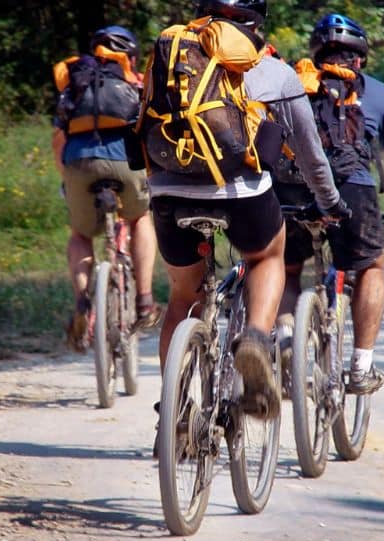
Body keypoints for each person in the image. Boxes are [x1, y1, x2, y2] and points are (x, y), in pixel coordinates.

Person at [144, 0, 346, 419]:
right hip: (242, 193)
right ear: (258, 24)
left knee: (183, 298)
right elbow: (310, 153)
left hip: (169, 192)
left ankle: (175, 415)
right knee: (267, 255)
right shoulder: (272, 70)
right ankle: (254, 337)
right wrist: (330, 202)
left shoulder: (172, 55)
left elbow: (142, 123)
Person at [277, 13, 384, 395]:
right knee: (371, 265)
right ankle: (360, 367)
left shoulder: (292, 83)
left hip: (292, 189)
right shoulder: (377, 92)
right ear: (361, 56)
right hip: (352, 189)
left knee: (286, 269)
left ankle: (287, 340)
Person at [51, 25, 160, 353]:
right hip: (126, 164)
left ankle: (84, 301)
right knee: (140, 219)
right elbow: (152, 135)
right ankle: (144, 300)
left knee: (81, 235)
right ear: (131, 55)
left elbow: (59, 138)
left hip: (78, 163)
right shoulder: (136, 81)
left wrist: (67, 178)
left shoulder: (76, 81)